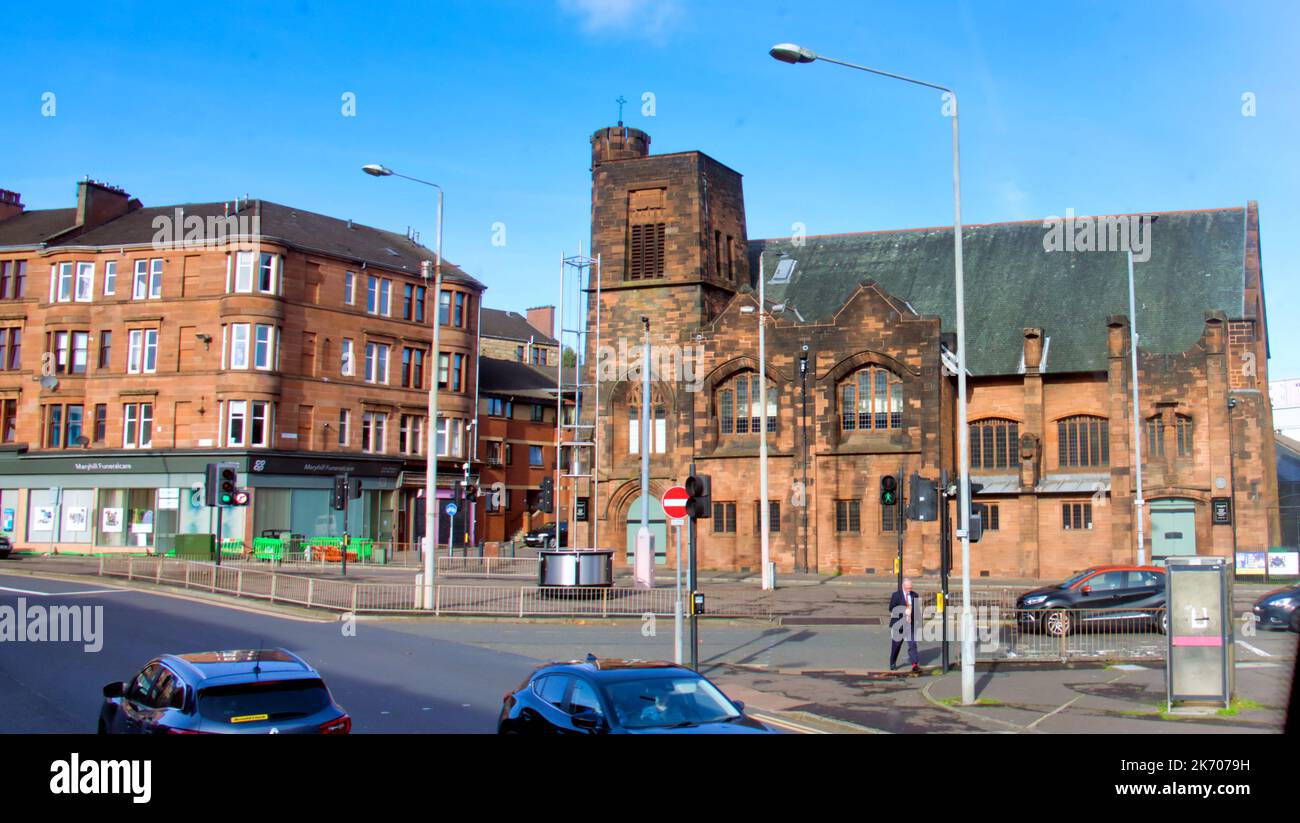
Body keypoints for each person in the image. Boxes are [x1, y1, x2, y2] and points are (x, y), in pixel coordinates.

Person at [888, 577, 922, 673]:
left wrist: (919, 622)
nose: (909, 590)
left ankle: (915, 664)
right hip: (899, 625)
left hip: (910, 624)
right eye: (907, 588)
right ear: (903, 586)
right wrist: (904, 611)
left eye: (910, 588)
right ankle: (892, 662)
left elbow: (917, 610)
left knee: (912, 644)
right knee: (896, 645)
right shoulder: (896, 595)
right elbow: (891, 608)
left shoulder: (915, 595)